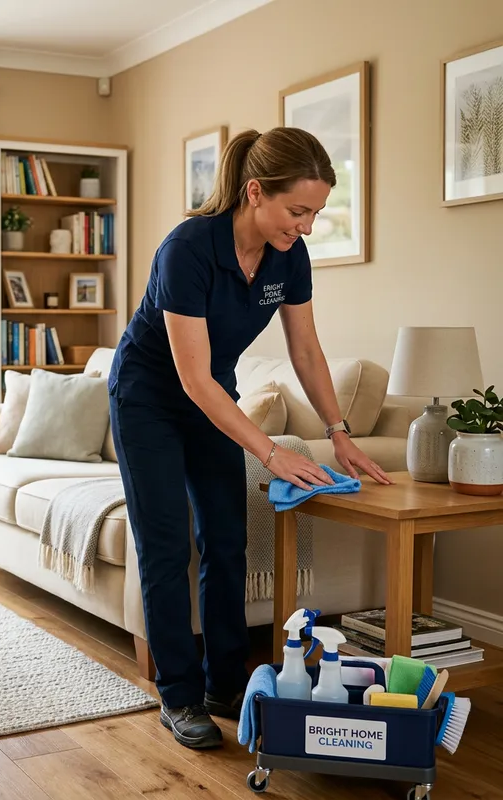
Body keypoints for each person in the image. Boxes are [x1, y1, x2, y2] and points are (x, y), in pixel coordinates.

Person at [107, 126, 392, 750]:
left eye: (316, 212)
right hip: (149, 398)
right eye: (298, 211)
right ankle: (179, 696)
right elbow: (191, 376)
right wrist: (270, 450)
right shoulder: (187, 248)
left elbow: (306, 347)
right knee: (163, 545)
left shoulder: (289, 255)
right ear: (255, 192)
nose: (308, 226)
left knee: (228, 540)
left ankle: (226, 683)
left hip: (212, 398)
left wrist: (338, 432)